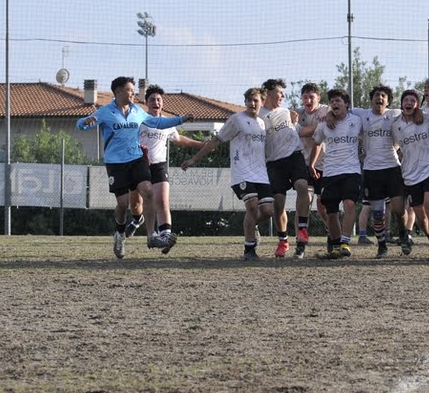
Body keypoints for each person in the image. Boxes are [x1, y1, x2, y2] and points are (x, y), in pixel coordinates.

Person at [76, 76, 193, 259]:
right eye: (129, 90)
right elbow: (81, 124)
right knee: (123, 205)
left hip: (136, 158)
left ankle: (151, 236)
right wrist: (85, 123)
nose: (132, 93)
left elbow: (157, 122)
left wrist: (180, 120)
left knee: (148, 191)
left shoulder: (137, 111)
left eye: (132, 90)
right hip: (116, 163)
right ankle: (120, 234)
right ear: (118, 92)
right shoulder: (105, 112)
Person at [181, 87, 272, 261]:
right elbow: (216, 140)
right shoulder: (237, 119)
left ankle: (251, 226)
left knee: (267, 210)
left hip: (261, 173)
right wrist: (194, 159)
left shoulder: (262, 123)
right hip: (242, 172)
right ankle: (249, 250)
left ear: (262, 102)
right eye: (249, 100)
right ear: (245, 102)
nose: (252, 104)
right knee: (252, 206)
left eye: (256, 100)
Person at [134, 84, 204, 253]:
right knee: (137, 202)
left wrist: (202, 144)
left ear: (162, 103)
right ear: (146, 102)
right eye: (152, 100)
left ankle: (166, 236)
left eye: (158, 100)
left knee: (163, 200)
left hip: (159, 165)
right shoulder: (140, 121)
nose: (156, 102)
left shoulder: (166, 123)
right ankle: (136, 223)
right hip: (140, 164)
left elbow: (179, 139)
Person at [260, 78, 313, 259]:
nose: (283, 96)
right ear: (267, 93)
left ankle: (302, 230)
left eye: (284, 92)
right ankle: (283, 240)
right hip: (274, 162)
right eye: (279, 92)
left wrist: (322, 124)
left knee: (302, 187)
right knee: (279, 203)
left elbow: (300, 131)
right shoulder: (258, 116)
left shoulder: (286, 112)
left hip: (295, 156)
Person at [308, 89, 363, 259]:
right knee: (329, 212)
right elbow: (316, 142)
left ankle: (345, 242)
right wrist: (311, 164)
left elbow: (370, 135)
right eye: (332, 101)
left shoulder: (357, 120)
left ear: (346, 103)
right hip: (330, 172)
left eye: (338, 101)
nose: (335, 104)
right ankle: (336, 243)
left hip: (351, 171)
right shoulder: (324, 124)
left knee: (349, 205)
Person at [351, 85, 404, 259]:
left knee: (398, 208)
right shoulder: (361, 114)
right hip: (371, 170)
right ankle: (382, 246)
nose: (379, 98)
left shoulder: (395, 114)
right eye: (376, 95)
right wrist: (328, 114)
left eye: (383, 96)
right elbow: (340, 110)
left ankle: (404, 234)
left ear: (388, 100)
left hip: (392, 167)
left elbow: (420, 112)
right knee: (377, 212)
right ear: (371, 99)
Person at [392, 90, 429, 260]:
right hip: (409, 173)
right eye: (406, 99)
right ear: (401, 104)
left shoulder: (427, 118)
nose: (409, 102)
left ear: (417, 104)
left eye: (413, 100)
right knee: (420, 215)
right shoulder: (395, 125)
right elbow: (391, 145)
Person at [297, 83, 329, 225]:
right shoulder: (297, 114)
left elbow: (317, 135)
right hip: (305, 164)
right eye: (305, 97)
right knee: (305, 200)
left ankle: (331, 230)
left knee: (323, 205)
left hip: (324, 164)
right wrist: (319, 126)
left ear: (318, 98)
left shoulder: (325, 111)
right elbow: (300, 132)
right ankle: (300, 239)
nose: (308, 101)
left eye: (311, 97)